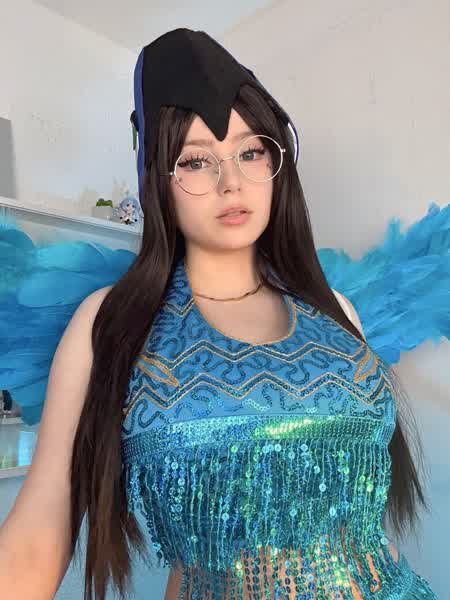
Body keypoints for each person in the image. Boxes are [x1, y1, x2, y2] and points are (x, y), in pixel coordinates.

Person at [0, 28, 437, 600]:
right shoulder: (110, 324)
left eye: (251, 151)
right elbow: (36, 539)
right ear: (157, 178)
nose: (232, 182)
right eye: (195, 161)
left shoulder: (337, 310)